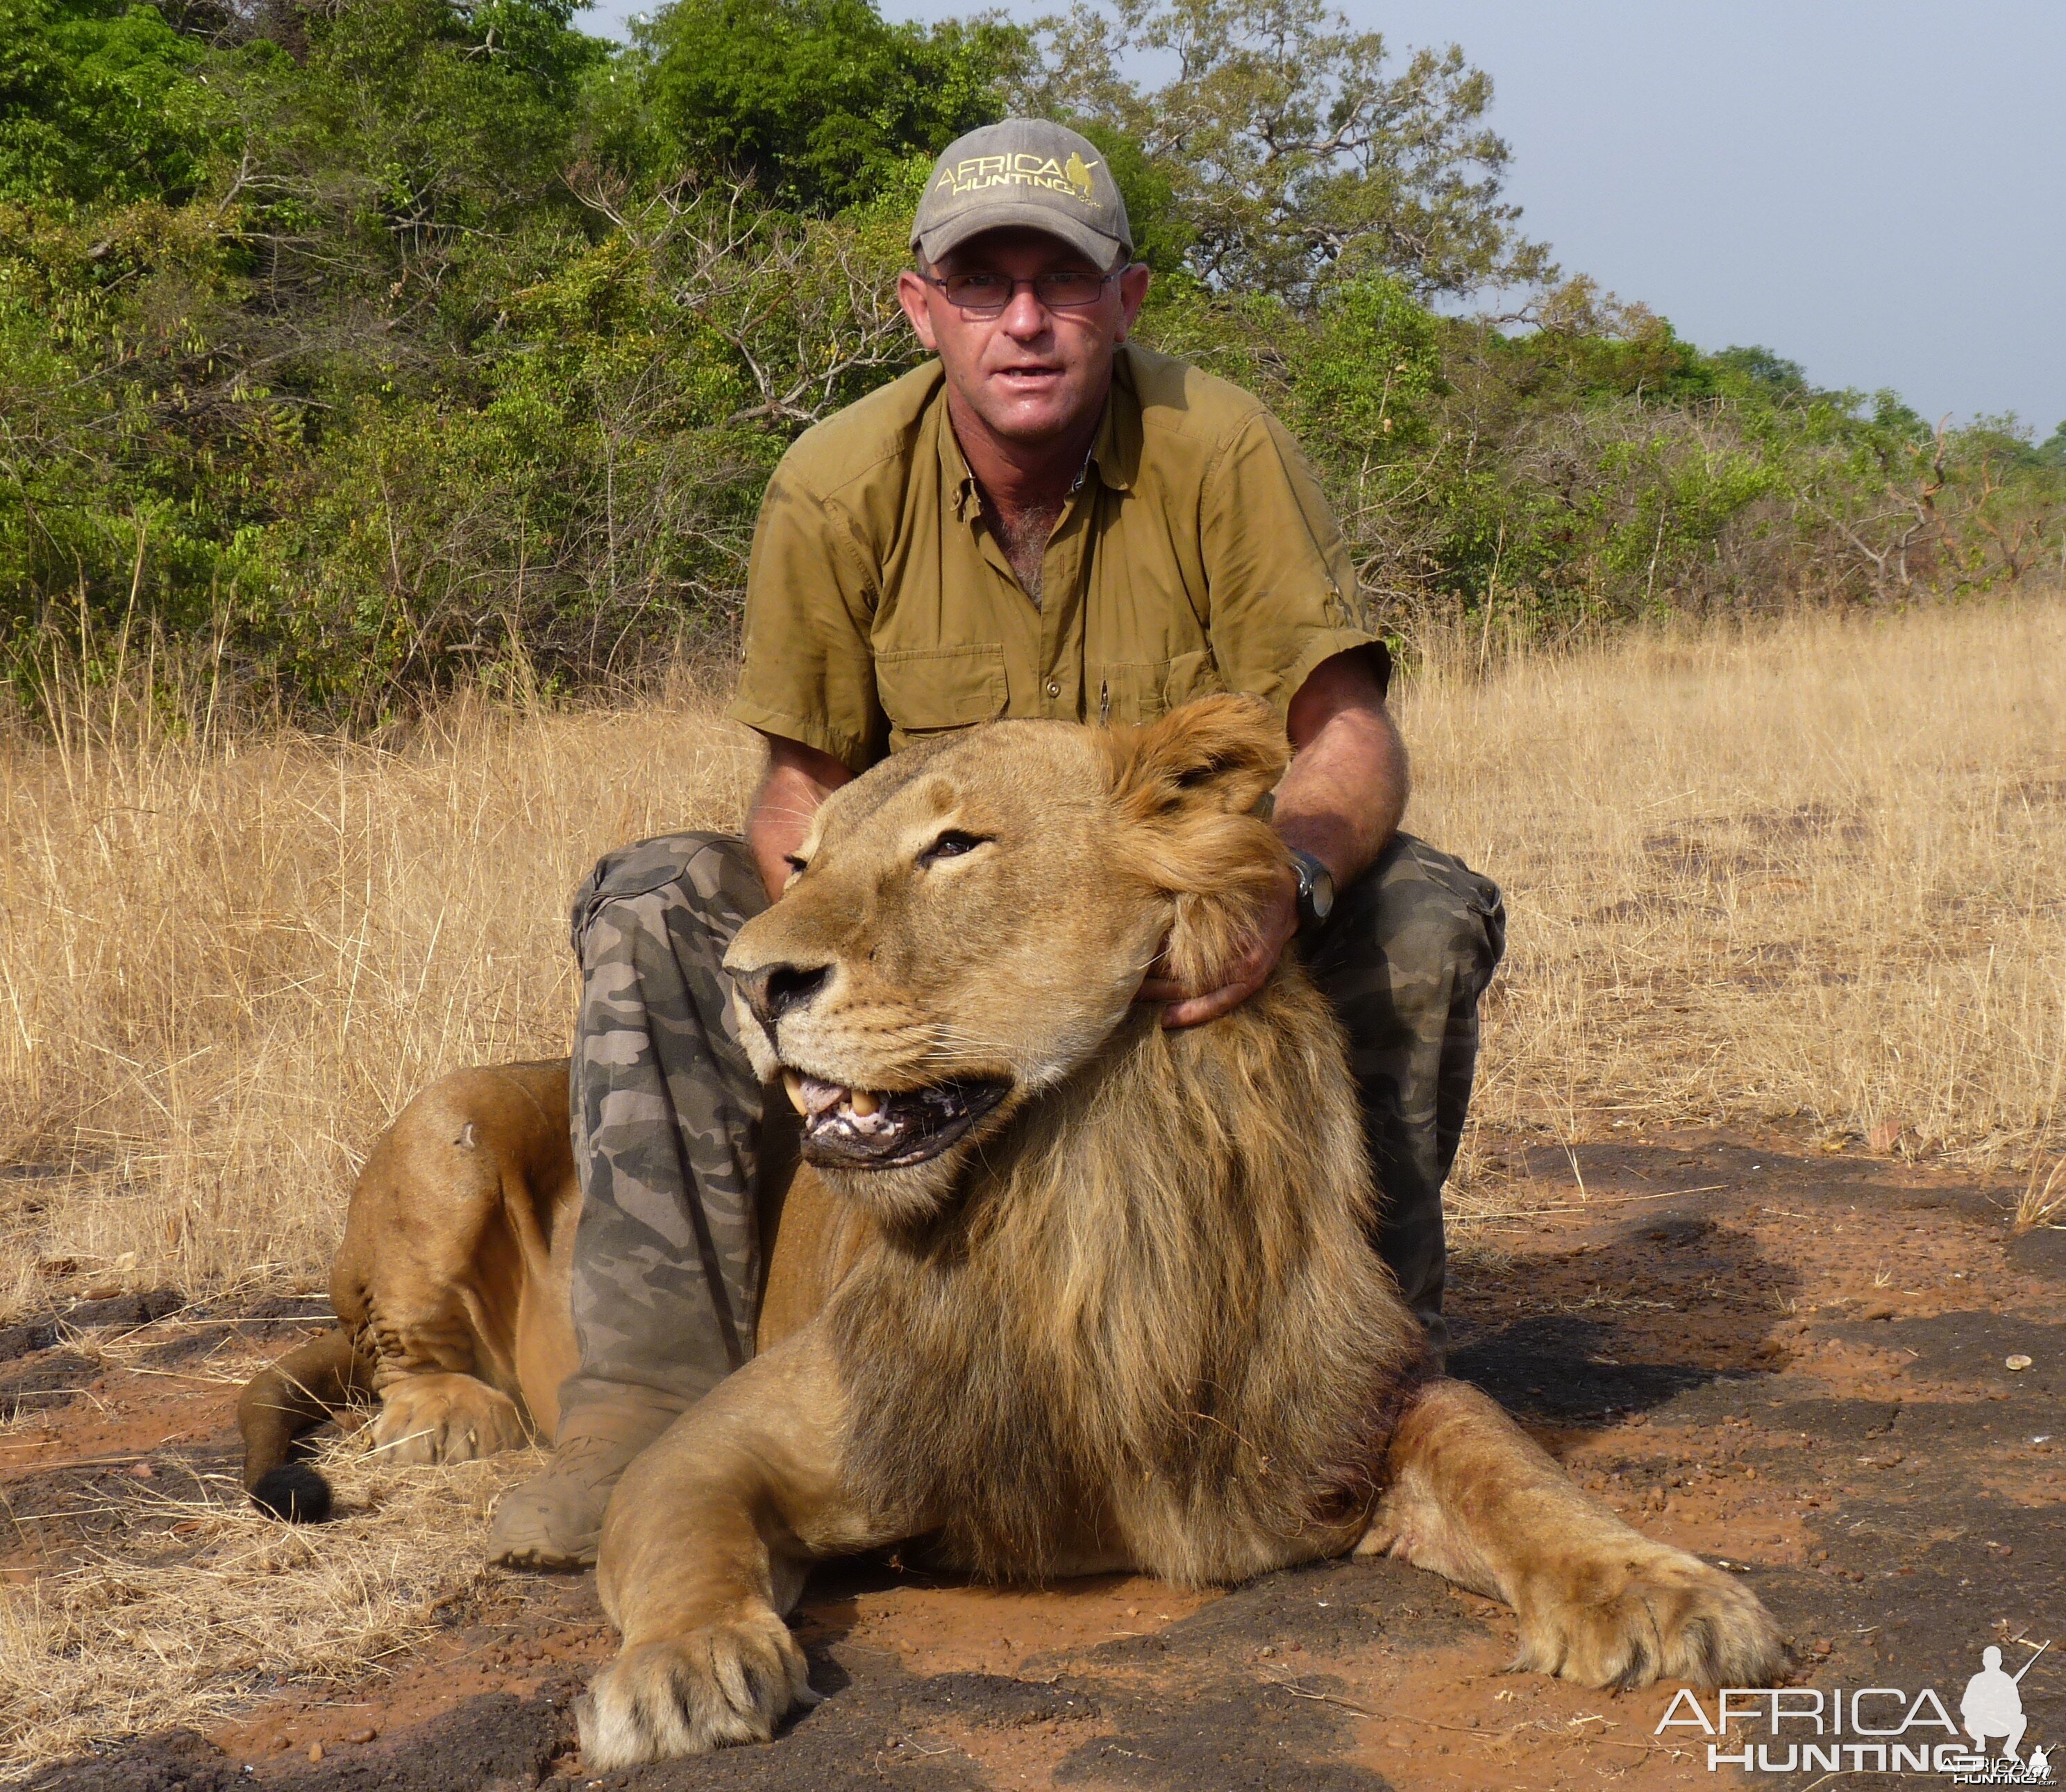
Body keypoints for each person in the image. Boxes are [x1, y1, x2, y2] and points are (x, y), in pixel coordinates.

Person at [486, 119, 1505, 1569]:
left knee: (1421, 911)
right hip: (923, 919)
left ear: (1129, 299)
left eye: (1062, 280)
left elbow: (1347, 736)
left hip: (1144, 903)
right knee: (659, 897)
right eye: (982, 283)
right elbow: (799, 792)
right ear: (922, 308)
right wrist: (858, 954)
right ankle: (641, 1400)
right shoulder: (838, 484)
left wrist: (1291, 876)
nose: (1024, 318)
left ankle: (1351, 1347)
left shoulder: (1219, 449)